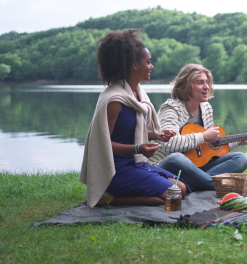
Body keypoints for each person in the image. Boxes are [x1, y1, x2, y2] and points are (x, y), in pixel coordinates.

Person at [80, 29, 189, 208]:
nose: (151, 66)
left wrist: (156, 135)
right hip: (114, 170)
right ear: (133, 65)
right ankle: (109, 197)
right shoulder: (114, 100)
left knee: (181, 188)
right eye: (148, 62)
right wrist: (138, 148)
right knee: (172, 193)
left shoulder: (137, 94)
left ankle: (118, 196)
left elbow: (128, 132)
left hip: (136, 164)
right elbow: (101, 145)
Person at [148, 63, 247, 191]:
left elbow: (209, 148)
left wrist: (239, 142)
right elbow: (169, 144)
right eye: (200, 82)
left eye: (207, 82)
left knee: (240, 158)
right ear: (187, 86)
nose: (207, 87)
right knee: (177, 158)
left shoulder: (206, 108)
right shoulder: (171, 108)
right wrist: (203, 136)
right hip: (166, 165)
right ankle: (212, 184)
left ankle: (197, 183)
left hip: (195, 167)